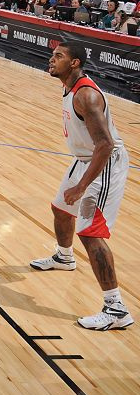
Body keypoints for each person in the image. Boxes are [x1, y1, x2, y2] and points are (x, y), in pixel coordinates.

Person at [29, 43, 132, 330]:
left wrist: (82, 186)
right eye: (53, 55)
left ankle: (116, 309)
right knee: (61, 209)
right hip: (85, 159)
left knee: (90, 232)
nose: (52, 59)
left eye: (59, 56)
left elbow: (105, 145)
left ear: (75, 63)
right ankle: (64, 257)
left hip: (104, 162)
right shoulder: (69, 88)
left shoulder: (86, 96)